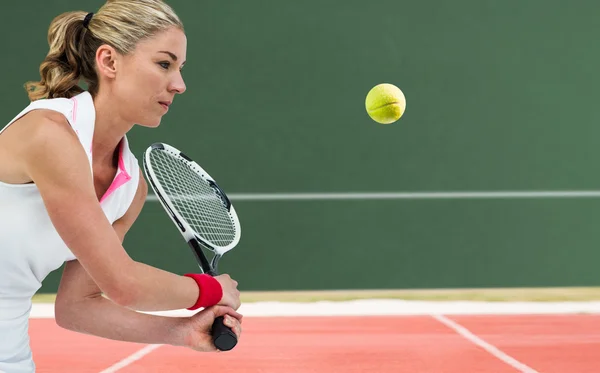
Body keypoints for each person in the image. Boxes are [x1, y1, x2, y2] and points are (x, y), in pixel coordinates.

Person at [0, 1, 242, 372]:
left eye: (179, 68)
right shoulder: (49, 134)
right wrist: (212, 290)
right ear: (109, 61)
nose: (178, 85)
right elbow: (124, 284)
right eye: (164, 64)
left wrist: (182, 331)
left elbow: (76, 306)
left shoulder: (130, 187)